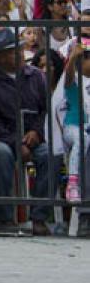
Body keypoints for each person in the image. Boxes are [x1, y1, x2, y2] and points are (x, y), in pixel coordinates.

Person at [0, 27, 52, 235]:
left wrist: (36, 132)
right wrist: (16, 142)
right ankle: (5, 217)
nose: (18, 53)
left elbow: (45, 110)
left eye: (18, 48)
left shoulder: (36, 76)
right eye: (10, 51)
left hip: (33, 136)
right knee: (0, 153)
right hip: (5, 137)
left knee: (50, 154)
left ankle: (39, 217)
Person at [55, 43, 90, 203]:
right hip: (73, 128)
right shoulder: (74, 80)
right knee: (84, 139)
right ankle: (73, 182)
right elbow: (68, 76)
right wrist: (74, 56)